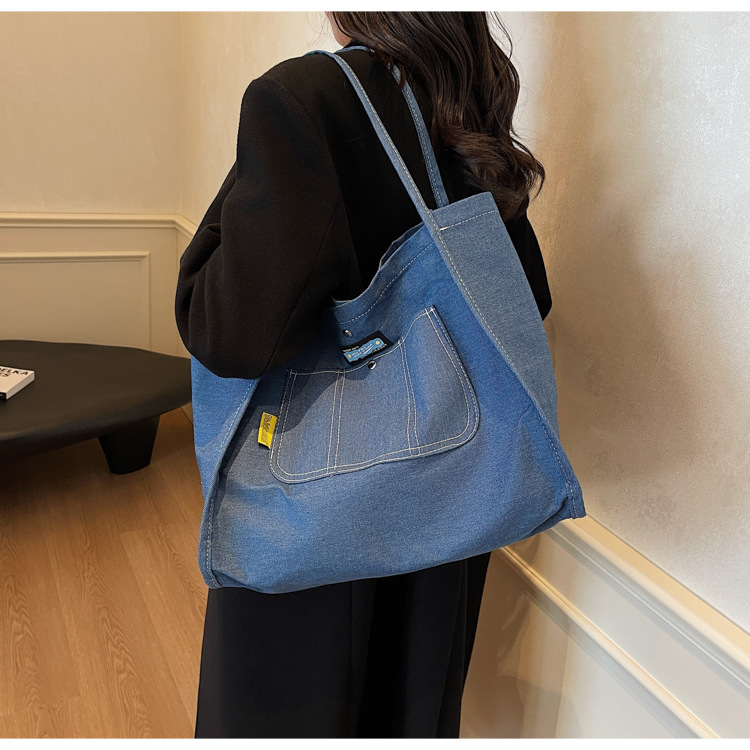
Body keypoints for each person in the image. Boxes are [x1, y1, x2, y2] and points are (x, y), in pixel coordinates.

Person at [174, 11, 551, 739]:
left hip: (310, 511)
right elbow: (525, 301)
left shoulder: (302, 98)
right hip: (453, 495)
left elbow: (232, 333)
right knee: (411, 709)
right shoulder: (465, 105)